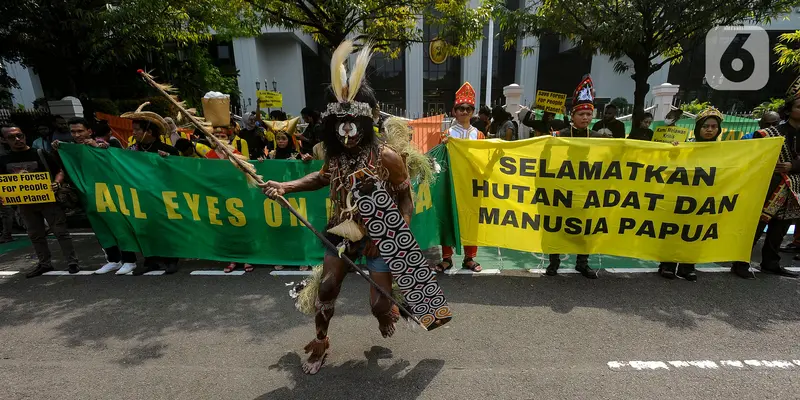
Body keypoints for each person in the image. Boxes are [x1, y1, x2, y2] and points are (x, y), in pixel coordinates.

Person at [260, 42, 419, 375]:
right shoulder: (334, 157)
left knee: (378, 305)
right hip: (341, 229)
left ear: (365, 124)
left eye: (353, 124)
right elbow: (320, 179)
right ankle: (321, 341)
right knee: (328, 286)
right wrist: (285, 186)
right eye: (340, 125)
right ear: (333, 126)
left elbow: (406, 201)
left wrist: (395, 234)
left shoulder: (387, 157)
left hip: (379, 234)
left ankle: (386, 310)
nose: (347, 133)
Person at [730, 78, 800, 279]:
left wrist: (792, 166)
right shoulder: (768, 134)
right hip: (767, 187)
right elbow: (751, 159)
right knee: (755, 226)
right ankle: (740, 262)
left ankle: (770, 263)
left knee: (780, 228)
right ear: (789, 110)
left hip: (793, 188)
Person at [0, 124, 80, 277]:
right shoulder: (4, 160)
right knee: (35, 235)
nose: (17, 139)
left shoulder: (40, 153)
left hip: (49, 202)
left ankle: (72, 262)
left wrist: (56, 182)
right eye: (12, 137)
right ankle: (44, 264)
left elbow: (59, 171)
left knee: (60, 232)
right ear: (4, 140)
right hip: (25, 205)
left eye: (20, 135)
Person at [656, 107, 724, 282]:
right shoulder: (686, 146)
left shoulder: (725, 151)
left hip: (705, 198)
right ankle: (668, 265)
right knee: (674, 231)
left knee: (696, 233)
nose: (709, 130)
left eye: (713, 127)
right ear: (698, 128)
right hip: (681, 196)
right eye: (705, 126)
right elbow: (668, 167)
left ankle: (688, 266)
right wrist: (675, 152)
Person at [548, 75, 601, 279]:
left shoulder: (599, 139)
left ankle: (582, 263)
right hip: (562, 189)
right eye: (582, 114)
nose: (586, 118)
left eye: (589, 114)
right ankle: (554, 262)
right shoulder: (560, 136)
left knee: (585, 228)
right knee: (558, 226)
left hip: (586, 191)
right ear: (573, 115)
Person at [120, 104, 181, 275]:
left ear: (150, 131)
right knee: (146, 227)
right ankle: (151, 260)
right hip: (141, 196)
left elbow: (179, 173)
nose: (134, 133)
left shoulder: (168, 151)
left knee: (166, 228)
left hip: (164, 197)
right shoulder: (132, 150)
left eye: (137, 130)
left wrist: (168, 161)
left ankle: (171, 260)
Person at [436, 82, 482, 273]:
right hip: (451, 184)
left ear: (473, 111)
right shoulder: (446, 135)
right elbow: (438, 161)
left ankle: (469, 258)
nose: (464, 111)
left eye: (468, 108)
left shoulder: (479, 136)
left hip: (471, 186)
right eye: (460, 108)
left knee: (471, 220)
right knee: (447, 217)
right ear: (454, 111)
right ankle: (447, 258)